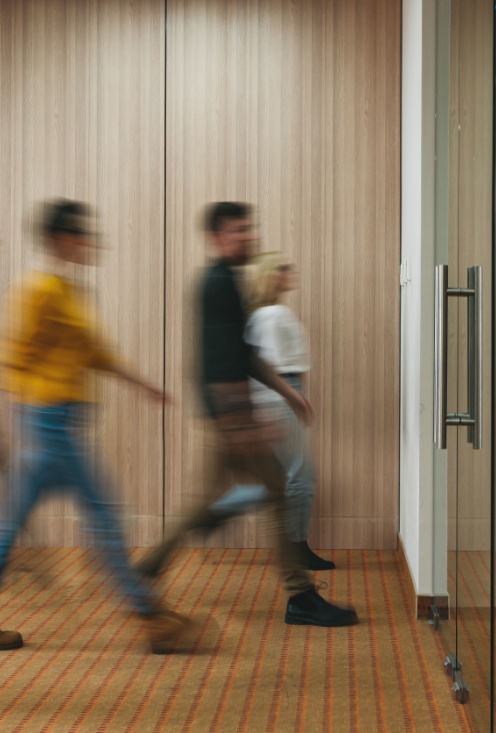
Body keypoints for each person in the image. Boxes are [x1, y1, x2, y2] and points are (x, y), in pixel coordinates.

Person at [0, 199, 187, 653]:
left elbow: (93, 352)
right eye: (82, 234)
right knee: (103, 516)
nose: (91, 243)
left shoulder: (68, 290)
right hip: (46, 425)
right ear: (62, 238)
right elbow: (6, 359)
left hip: (53, 423)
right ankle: (152, 617)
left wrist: (140, 383)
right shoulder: (37, 289)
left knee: (12, 521)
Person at [137, 202, 357, 627]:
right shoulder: (217, 284)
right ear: (217, 236)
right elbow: (218, 362)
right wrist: (241, 423)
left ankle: (150, 565)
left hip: (230, 415)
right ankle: (300, 595)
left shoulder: (227, 283)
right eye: (240, 231)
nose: (249, 237)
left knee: (213, 500)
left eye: (249, 229)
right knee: (275, 490)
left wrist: (287, 394)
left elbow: (245, 355)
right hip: (230, 416)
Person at [175, 252, 335, 571]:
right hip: (282, 395)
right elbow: (267, 365)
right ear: (270, 276)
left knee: (279, 478)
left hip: (281, 395)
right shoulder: (272, 315)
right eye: (283, 268)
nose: (291, 272)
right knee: (299, 476)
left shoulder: (265, 313)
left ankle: (218, 511)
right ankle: (295, 546)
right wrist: (289, 398)